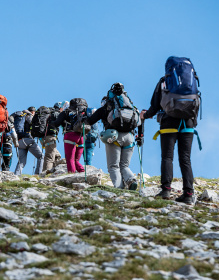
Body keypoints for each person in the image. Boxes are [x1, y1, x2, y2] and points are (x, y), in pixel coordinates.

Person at [140, 56, 202, 204]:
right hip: (188, 122)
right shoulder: (191, 82)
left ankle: (166, 190)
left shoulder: (164, 82)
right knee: (185, 159)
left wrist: (146, 115)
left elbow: (154, 107)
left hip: (169, 122)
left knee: (167, 157)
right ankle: (188, 194)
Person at [85, 83, 142, 190]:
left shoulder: (106, 107)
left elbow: (90, 120)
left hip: (114, 137)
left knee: (113, 166)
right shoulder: (131, 106)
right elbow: (139, 121)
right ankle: (131, 180)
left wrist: (84, 121)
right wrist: (140, 137)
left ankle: (119, 188)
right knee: (124, 165)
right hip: (130, 137)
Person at [51, 98, 88, 173]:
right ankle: (82, 172)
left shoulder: (66, 112)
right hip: (81, 136)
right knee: (76, 160)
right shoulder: (82, 112)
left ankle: (72, 175)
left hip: (70, 136)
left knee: (70, 159)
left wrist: (50, 122)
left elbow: (57, 123)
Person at [13, 107, 44, 175]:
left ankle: (16, 175)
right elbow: (34, 125)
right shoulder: (29, 116)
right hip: (27, 139)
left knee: (21, 161)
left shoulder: (20, 117)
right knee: (41, 157)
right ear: (32, 112)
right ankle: (38, 174)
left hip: (19, 141)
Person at [39, 104, 63, 173]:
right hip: (50, 137)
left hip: (44, 137)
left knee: (57, 155)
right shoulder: (56, 114)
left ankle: (53, 172)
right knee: (49, 157)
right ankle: (45, 174)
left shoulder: (49, 113)